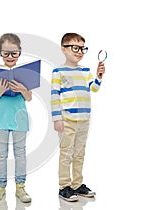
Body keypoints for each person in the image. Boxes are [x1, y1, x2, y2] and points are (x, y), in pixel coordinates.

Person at [51, 33, 105, 202]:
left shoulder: (86, 71)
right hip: (67, 119)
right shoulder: (58, 71)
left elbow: (94, 88)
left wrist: (99, 77)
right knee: (66, 153)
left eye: (82, 48)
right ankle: (64, 186)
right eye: (75, 48)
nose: (80, 51)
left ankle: (77, 184)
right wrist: (57, 118)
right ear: (63, 49)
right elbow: (54, 95)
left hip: (84, 120)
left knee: (79, 153)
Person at [0, 33, 32, 203]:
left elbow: (29, 98)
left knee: (20, 154)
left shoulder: (25, 74)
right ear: (0, 53)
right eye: (6, 53)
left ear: (20, 52)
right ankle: (0, 186)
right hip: (0, 120)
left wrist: (22, 89)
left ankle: (20, 187)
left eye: (14, 53)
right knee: (1, 154)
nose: (10, 57)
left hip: (19, 120)